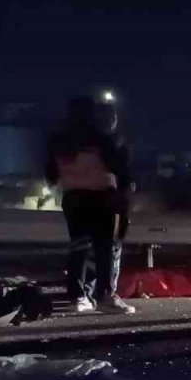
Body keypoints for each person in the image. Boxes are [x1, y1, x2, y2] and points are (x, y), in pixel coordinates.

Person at [46, 95, 135, 314]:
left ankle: (78, 297)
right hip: (104, 198)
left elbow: (51, 176)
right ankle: (106, 296)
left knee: (79, 248)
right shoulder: (106, 139)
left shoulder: (60, 142)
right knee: (106, 248)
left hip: (73, 198)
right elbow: (123, 172)